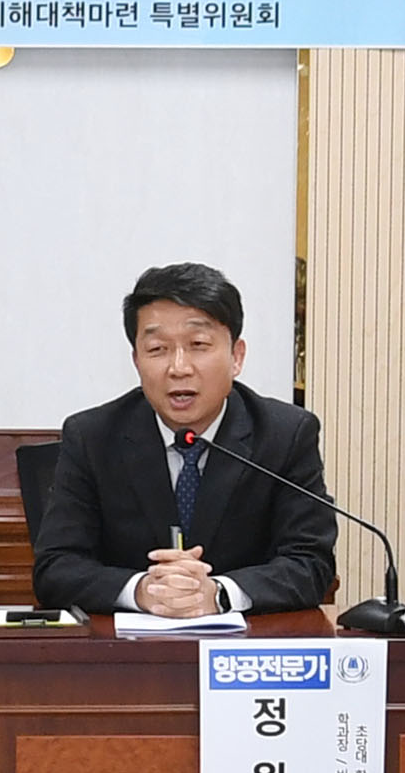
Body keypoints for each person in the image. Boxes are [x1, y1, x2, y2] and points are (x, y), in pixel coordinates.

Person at [37, 263, 338, 620]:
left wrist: (219, 594)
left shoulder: (286, 434)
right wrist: (143, 590)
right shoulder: (92, 436)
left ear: (236, 356)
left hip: (245, 659)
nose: (179, 367)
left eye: (198, 345)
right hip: (128, 661)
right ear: (136, 360)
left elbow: (311, 564)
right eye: (158, 349)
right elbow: (55, 568)